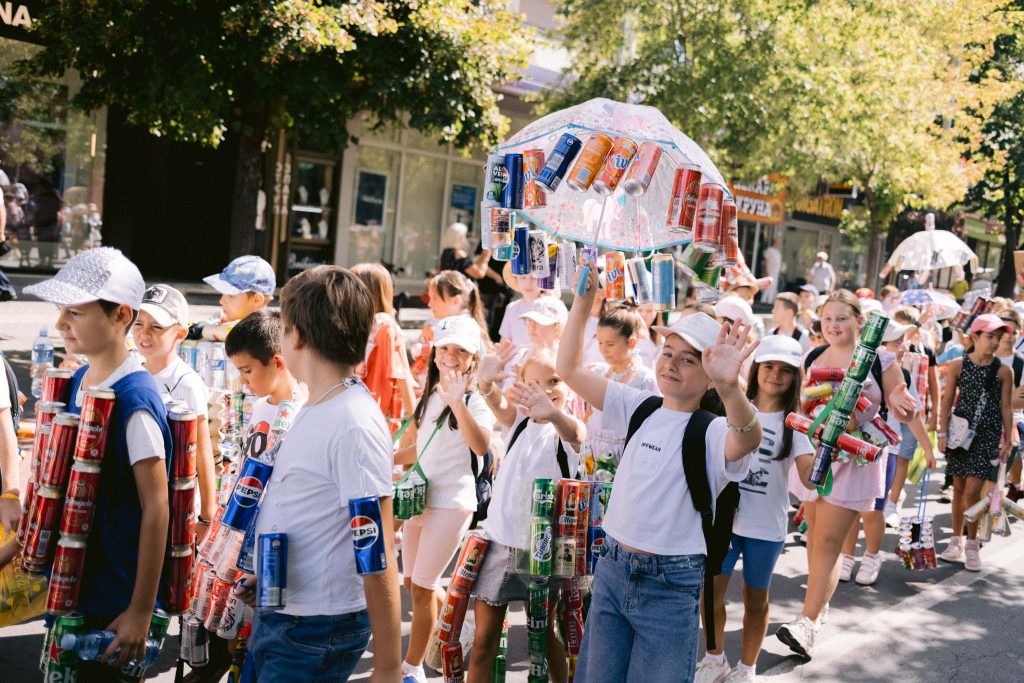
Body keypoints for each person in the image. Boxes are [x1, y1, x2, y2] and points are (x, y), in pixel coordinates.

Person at [557, 263, 761, 682]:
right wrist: (582, 304)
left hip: (670, 586)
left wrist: (731, 388)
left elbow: (747, 436)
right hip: (612, 569)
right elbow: (570, 370)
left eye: (689, 360)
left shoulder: (712, 430)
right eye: (668, 353)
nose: (672, 365)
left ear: (709, 377)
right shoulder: (641, 406)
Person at [236, 266, 402, 681]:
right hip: (288, 612)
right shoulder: (319, 403)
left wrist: (387, 667)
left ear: (298, 337)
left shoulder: (352, 421)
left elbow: (376, 546)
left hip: (315, 628)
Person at [24, 248, 173, 679]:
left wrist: (140, 611)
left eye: (75, 311)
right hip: (72, 592)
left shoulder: (136, 400)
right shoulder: (74, 381)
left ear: (121, 316)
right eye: (60, 311)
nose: (60, 324)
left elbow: (157, 508)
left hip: (113, 606)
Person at [776, 290, 919, 659]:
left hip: (856, 462)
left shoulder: (879, 357)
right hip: (815, 458)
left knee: (827, 541)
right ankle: (818, 609)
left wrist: (903, 405)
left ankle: (805, 624)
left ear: (858, 320)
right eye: (827, 319)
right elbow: (800, 404)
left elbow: (899, 398)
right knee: (813, 538)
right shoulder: (812, 355)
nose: (834, 325)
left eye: (841, 318)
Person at [696, 336, 814, 683]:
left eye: (785, 370)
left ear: (795, 377)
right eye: (769, 367)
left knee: (755, 598)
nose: (775, 375)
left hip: (767, 527)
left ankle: (747, 668)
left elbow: (809, 480)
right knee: (711, 592)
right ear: (757, 368)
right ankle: (714, 657)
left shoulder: (797, 424)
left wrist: (828, 451)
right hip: (725, 523)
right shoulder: (731, 405)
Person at [468, 348, 584, 683]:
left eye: (554, 381)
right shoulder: (518, 423)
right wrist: (486, 382)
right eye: (533, 383)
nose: (544, 390)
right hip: (500, 544)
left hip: (543, 554)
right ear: (520, 386)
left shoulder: (568, 431)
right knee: (483, 642)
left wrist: (554, 413)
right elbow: (497, 404)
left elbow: (575, 434)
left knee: (545, 639)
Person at [393, 315, 496, 683]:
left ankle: (412, 668)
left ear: (472, 359)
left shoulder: (472, 400)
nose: (451, 356)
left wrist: (458, 403)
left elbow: (481, 446)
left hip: (452, 504)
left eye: (461, 351)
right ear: (435, 351)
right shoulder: (430, 392)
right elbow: (419, 449)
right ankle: (454, 629)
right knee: (415, 584)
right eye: (446, 347)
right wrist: (386, 456)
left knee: (421, 587)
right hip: (419, 500)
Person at [839, 322, 935, 585]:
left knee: (873, 510)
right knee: (849, 507)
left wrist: (927, 449)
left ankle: (871, 556)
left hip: (885, 450)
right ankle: (846, 556)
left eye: (902, 341)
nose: (902, 346)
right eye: (896, 342)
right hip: (853, 445)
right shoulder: (853, 364)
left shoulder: (899, 372)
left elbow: (911, 415)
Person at [133, 285, 217, 533]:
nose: (144, 333)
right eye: (139, 323)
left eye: (156, 326)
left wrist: (206, 516)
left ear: (180, 333)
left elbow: (202, 449)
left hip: (173, 499)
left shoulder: (186, 382)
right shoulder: (132, 367)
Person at [937, 314, 1014, 571]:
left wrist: (1008, 439)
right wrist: (941, 432)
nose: (995, 342)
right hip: (960, 432)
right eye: (990, 337)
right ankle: (955, 541)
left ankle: (972, 545)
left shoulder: (1004, 370)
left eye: (998, 338)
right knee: (958, 489)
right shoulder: (958, 366)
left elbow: (1006, 406)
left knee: (972, 491)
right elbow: (947, 400)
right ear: (975, 337)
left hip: (987, 435)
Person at [583, 307, 659, 477]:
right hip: (591, 453)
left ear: (631, 343)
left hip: (624, 456)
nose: (603, 349)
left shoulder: (645, 379)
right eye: (600, 342)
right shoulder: (599, 372)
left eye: (610, 344)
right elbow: (588, 415)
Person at [225, 310, 305, 462]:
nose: (242, 380)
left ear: (278, 363)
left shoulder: (301, 416)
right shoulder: (259, 405)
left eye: (247, 371)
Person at [352, 263, 417, 435]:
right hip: (356, 412)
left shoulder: (386, 328)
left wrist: (416, 425)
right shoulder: (359, 324)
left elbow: (402, 377)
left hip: (374, 416)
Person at [411, 270, 491, 389]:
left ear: (455, 301)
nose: (430, 304)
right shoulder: (449, 323)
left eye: (435, 299)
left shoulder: (463, 328)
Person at [191, 255, 276, 341]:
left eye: (231, 296)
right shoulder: (224, 322)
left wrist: (204, 330)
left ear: (256, 300)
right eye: (223, 294)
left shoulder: (265, 334)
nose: (221, 301)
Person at [498, 262, 554, 349]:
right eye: (523, 277)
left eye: (534, 277)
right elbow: (504, 343)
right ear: (516, 279)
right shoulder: (512, 308)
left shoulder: (551, 307)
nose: (528, 283)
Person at [761, 239, 782, 303]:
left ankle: (769, 301)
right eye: (777, 243)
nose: (778, 245)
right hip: (770, 271)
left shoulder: (778, 252)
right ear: (774, 243)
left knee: (773, 286)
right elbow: (766, 261)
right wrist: (766, 270)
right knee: (768, 286)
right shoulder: (769, 250)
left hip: (775, 272)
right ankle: (763, 300)